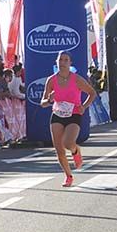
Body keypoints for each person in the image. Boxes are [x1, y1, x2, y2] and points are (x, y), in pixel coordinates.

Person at [40, 52, 97, 187]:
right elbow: (42, 102)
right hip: (57, 114)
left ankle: (75, 150)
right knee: (59, 150)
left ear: (70, 63)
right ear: (57, 62)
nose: (63, 62)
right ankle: (68, 176)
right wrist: (49, 100)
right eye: (61, 60)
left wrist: (84, 106)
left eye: (66, 60)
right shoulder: (51, 80)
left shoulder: (76, 79)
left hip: (74, 114)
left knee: (68, 143)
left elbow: (92, 93)